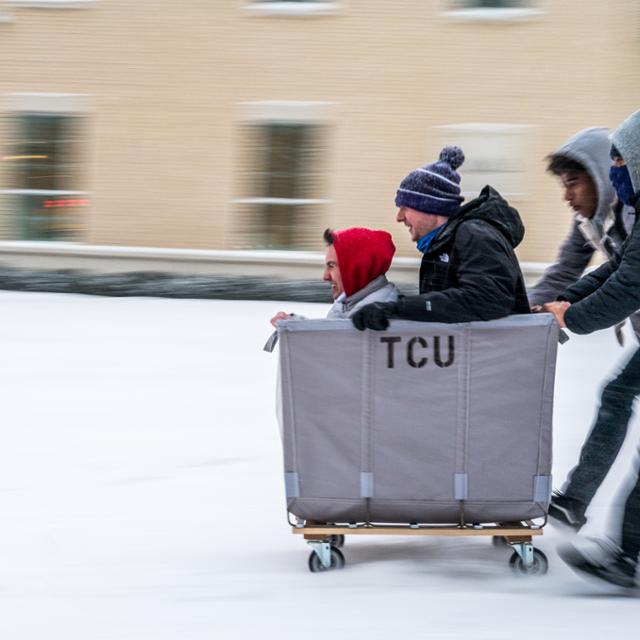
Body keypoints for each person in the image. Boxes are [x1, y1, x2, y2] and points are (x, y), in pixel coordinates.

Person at [543, 109, 640, 589]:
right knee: (617, 394)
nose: (567, 195)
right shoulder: (604, 218)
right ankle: (593, 519)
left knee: (618, 396)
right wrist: (546, 307)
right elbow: (598, 271)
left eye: (572, 183)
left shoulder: (633, 210)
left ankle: (628, 553)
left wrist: (572, 317)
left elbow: (629, 284)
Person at [351, 146, 530, 331]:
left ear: (430, 206)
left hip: (498, 355)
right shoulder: (442, 245)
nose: (399, 217)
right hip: (474, 355)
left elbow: (487, 299)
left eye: (406, 207)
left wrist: (400, 308)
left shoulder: (474, 235)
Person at [264, 227, 398, 350]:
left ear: (356, 268)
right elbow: (331, 340)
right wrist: (294, 325)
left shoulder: (378, 312)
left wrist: (295, 329)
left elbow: (335, 352)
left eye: (331, 266)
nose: (325, 276)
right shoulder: (352, 302)